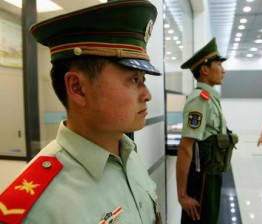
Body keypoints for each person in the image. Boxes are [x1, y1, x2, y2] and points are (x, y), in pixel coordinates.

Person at [0, 1, 162, 223]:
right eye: (134, 79)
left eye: (143, 80)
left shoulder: (128, 155)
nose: (147, 94)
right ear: (78, 88)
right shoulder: (33, 208)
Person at [176, 38, 235, 224]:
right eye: (219, 64)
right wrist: (182, 195)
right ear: (205, 69)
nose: (223, 70)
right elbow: (186, 147)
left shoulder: (210, 98)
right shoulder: (199, 101)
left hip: (212, 173)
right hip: (202, 178)